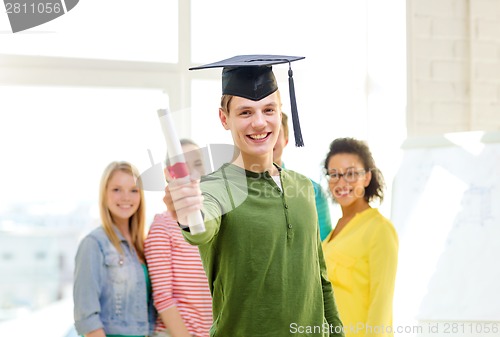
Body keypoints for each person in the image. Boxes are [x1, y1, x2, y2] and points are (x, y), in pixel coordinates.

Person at [163, 55, 344, 337]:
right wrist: (188, 213)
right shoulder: (216, 187)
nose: (259, 122)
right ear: (225, 118)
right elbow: (200, 226)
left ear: (281, 112)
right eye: (246, 112)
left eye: (268, 110)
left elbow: (320, 280)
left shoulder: (303, 188)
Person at [321, 138, 398, 337]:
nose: (342, 182)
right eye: (335, 175)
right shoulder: (333, 232)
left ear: (367, 177)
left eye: (351, 174)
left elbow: (381, 304)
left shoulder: (379, 230)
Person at [73, 161, 156, 337]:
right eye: (117, 189)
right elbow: (86, 318)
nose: (126, 197)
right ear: (104, 194)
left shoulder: (144, 246)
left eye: (133, 190)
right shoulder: (93, 244)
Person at [144, 139, 212, 337]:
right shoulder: (162, 226)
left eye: (197, 164)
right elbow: (164, 299)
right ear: (168, 173)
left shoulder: (213, 222)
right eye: (183, 165)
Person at [273, 112, 333, 240]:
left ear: (286, 141)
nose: (267, 139)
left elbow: (321, 246)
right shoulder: (229, 188)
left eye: (275, 132)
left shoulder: (312, 191)